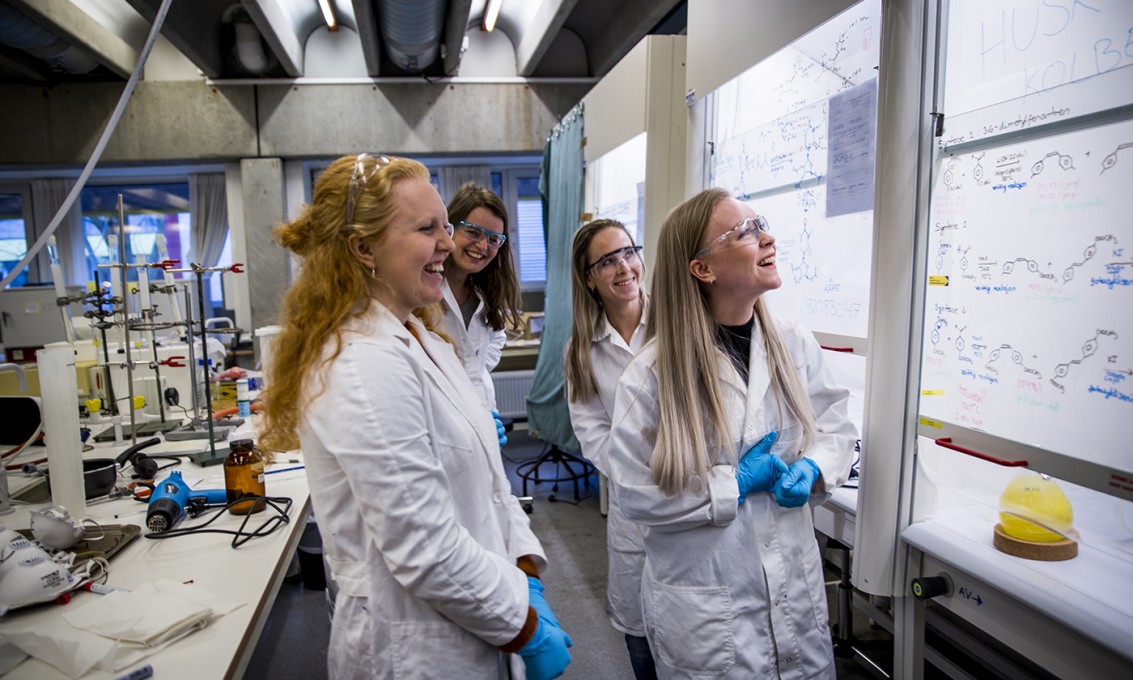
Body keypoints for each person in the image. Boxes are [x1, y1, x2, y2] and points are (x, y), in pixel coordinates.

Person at [259, 154, 571, 680]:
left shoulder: (423, 338)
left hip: (473, 612)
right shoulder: (359, 362)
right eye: (428, 229)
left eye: (445, 226)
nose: (448, 245)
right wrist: (523, 625)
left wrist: (524, 573)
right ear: (363, 249)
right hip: (416, 649)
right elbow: (424, 547)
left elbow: (494, 487)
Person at [607, 188, 857, 679]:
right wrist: (733, 484)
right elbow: (635, 492)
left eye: (760, 223)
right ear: (703, 269)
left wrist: (814, 465)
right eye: (745, 231)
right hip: (709, 611)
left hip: (793, 592)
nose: (768, 238)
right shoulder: (651, 375)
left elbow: (835, 426)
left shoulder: (793, 342)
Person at [564, 219, 656, 680]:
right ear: (589, 277)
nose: (624, 267)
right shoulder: (582, 350)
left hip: (699, 489)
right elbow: (591, 432)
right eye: (607, 261)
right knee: (639, 629)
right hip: (633, 504)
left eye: (628, 252)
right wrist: (640, 474)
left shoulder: (679, 321)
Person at [438, 182, 524, 412]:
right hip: (440, 408)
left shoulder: (486, 294)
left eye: (494, 239)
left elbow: (497, 337)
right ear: (450, 228)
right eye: (473, 232)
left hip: (481, 407)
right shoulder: (424, 291)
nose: (483, 245)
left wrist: (475, 371)